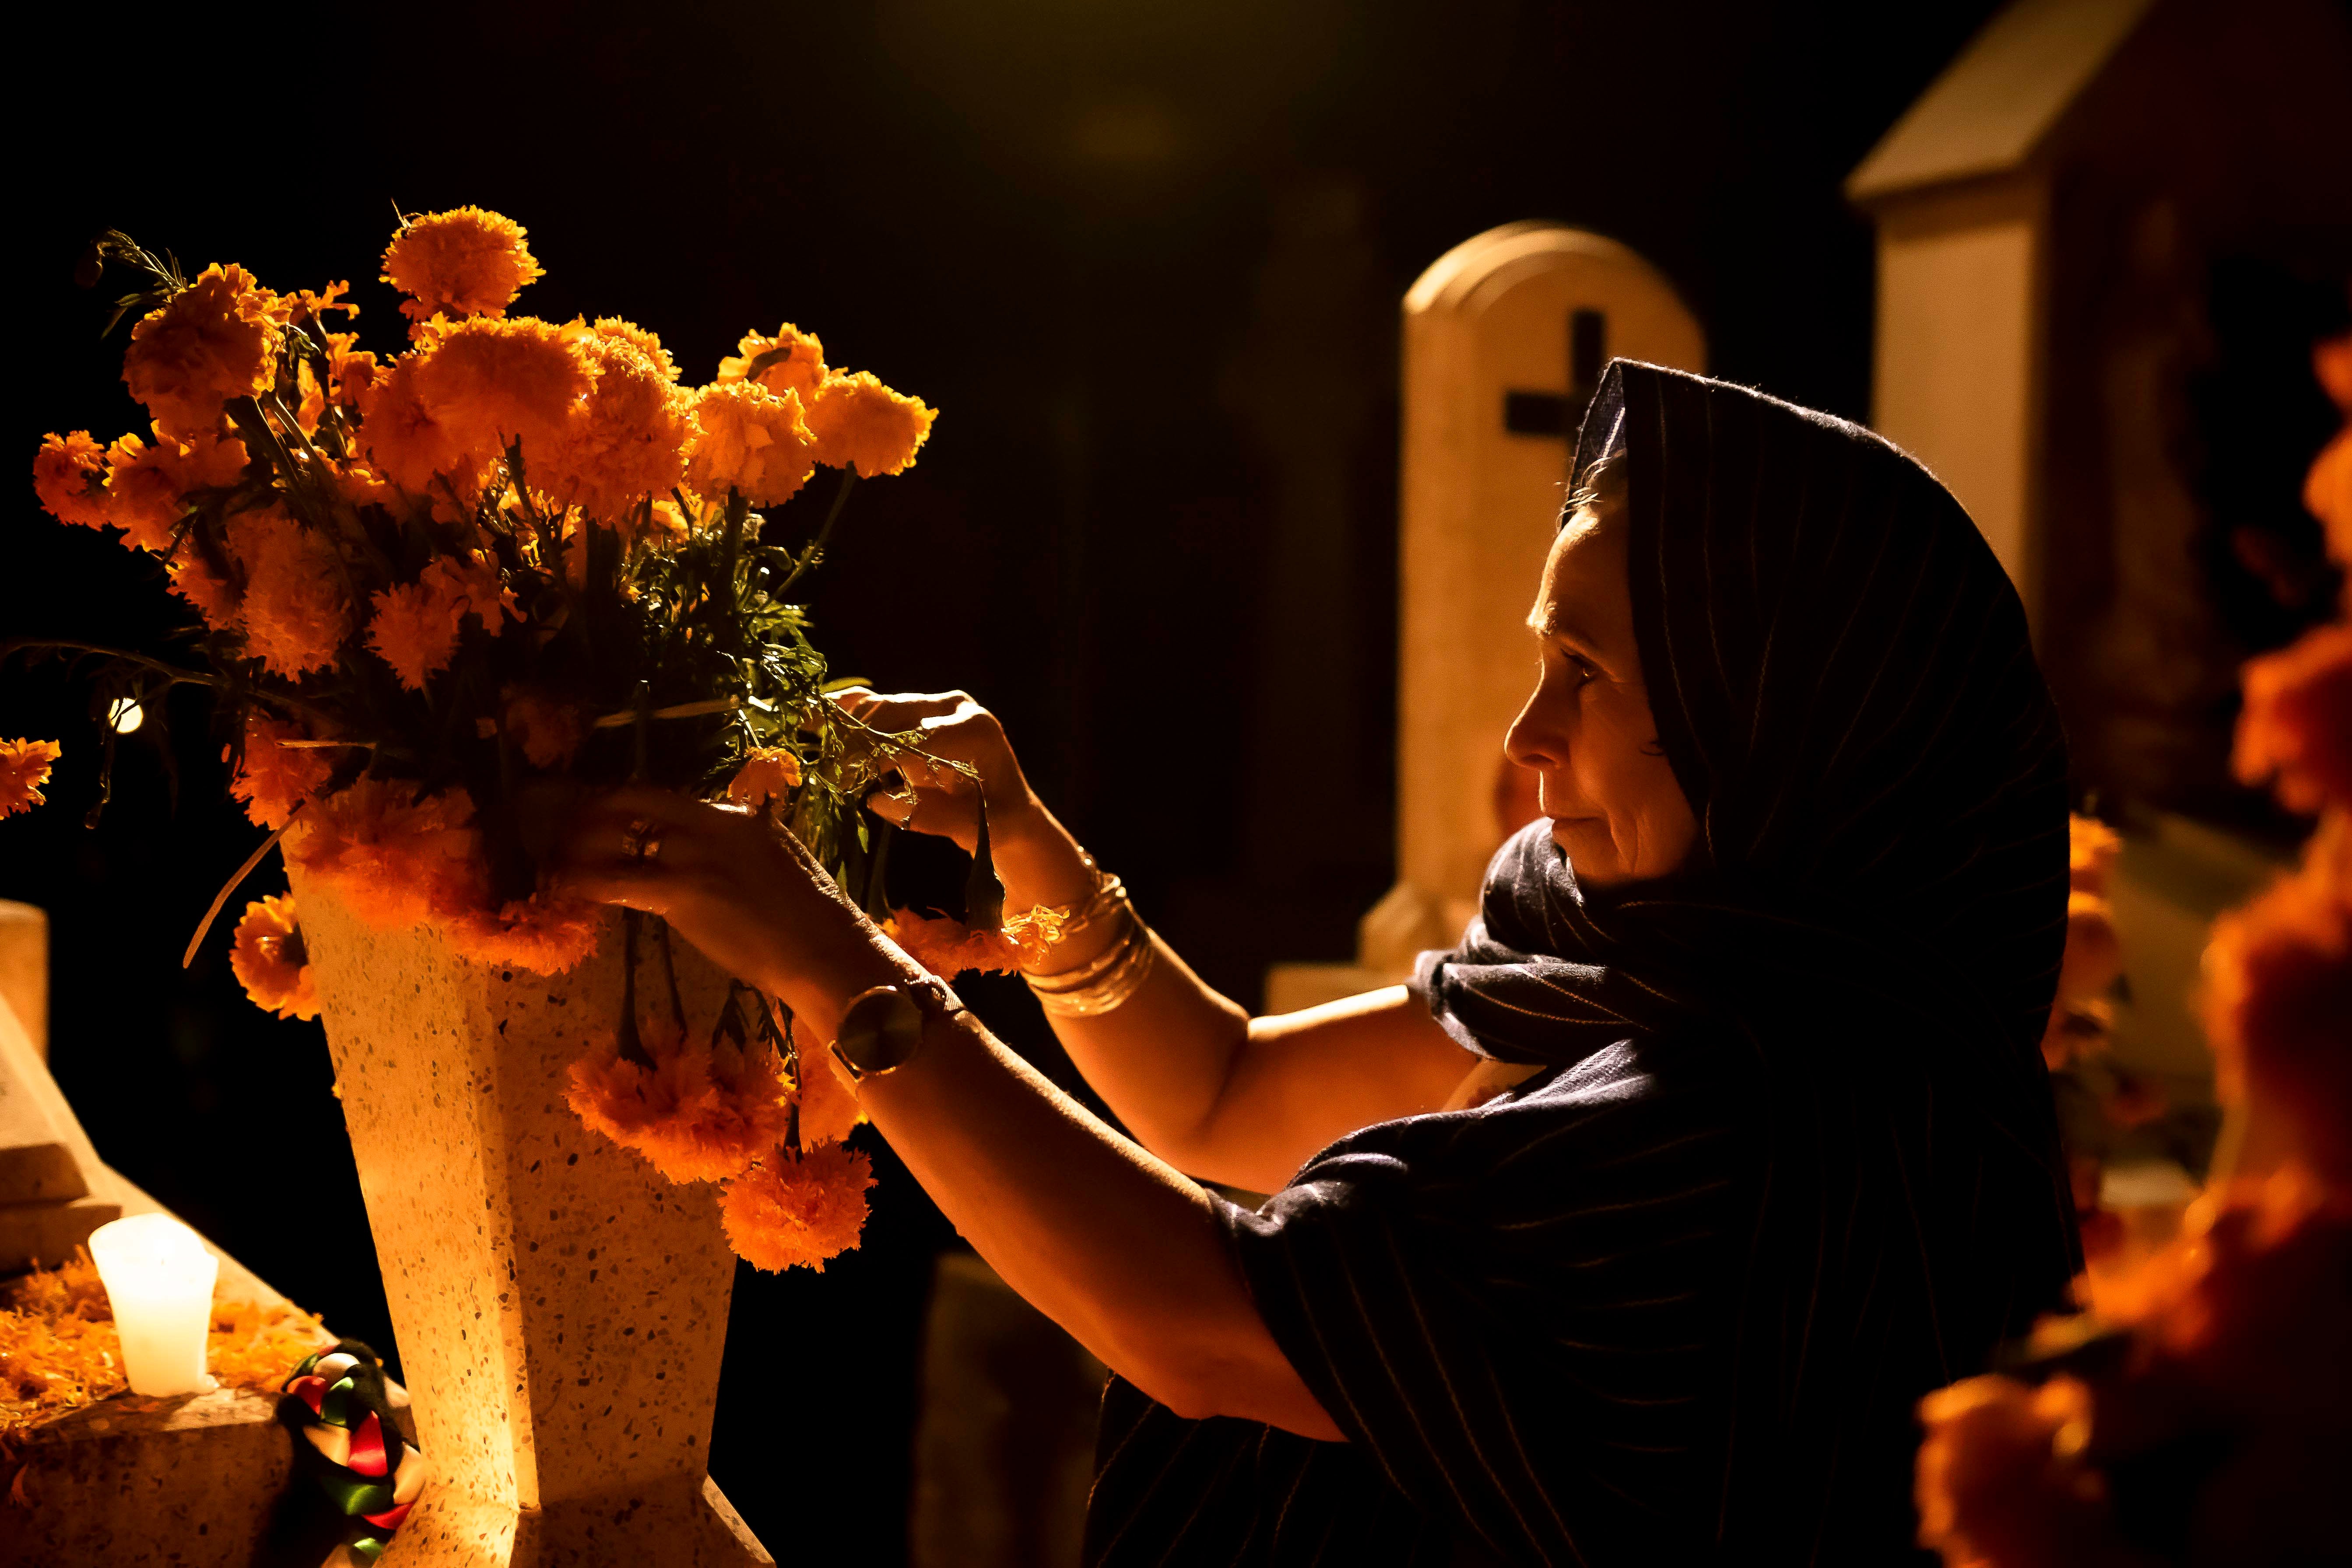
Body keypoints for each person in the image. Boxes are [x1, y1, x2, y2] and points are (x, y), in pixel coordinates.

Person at [558, 361, 2080, 1565]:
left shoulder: (1800, 1126)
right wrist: (1028, 843)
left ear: (1783, 722)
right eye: (1546, 657)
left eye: (1591, 673)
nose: (1526, 735)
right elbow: (1226, 1096)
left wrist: (843, 976)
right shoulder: (1628, 959)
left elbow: (1206, 1321)